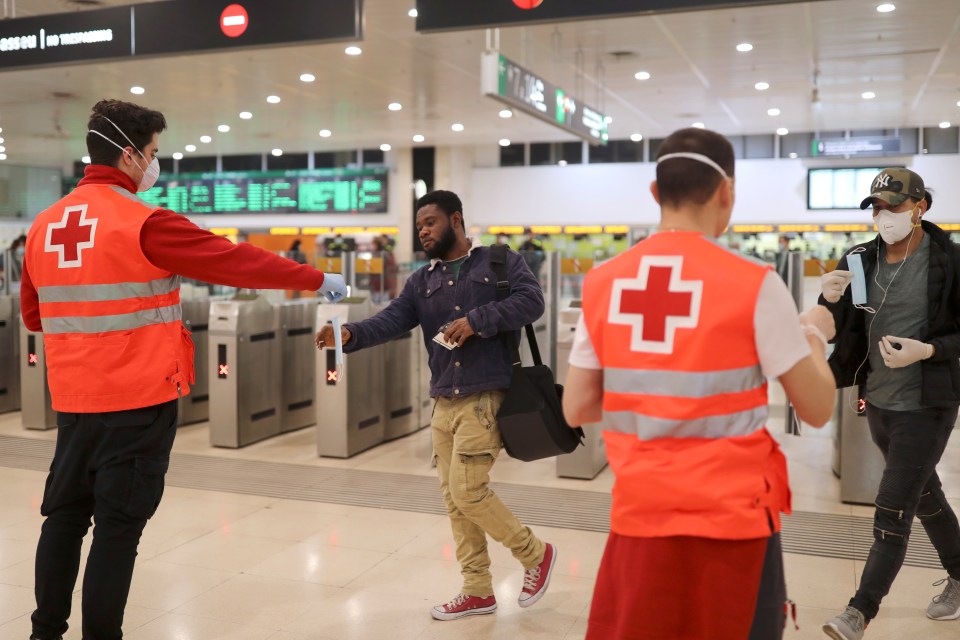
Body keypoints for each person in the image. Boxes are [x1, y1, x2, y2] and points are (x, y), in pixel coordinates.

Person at [21, 99, 347, 640]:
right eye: (151, 153)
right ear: (129, 155)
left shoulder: (43, 226)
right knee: (118, 530)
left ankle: (44, 631)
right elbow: (236, 261)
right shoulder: (142, 222)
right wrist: (318, 280)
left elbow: (36, 316)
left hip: (73, 404)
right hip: (137, 401)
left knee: (64, 518)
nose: (154, 164)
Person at [561, 127, 838, 640]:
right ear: (726, 192)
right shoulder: (755, 283)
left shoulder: (604, 283)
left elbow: (576, 406)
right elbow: (817, 408)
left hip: (639, 519)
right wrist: (813, 336)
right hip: (734, 526)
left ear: (654, 193)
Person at [315, 190, 557, 621]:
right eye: (419, 225)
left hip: (486, 393)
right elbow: (392, 319)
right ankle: (477, 588)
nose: (423, 231)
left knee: (468, 490)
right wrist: (350, 333)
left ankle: (535, 554)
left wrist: (478, 321)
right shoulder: (422, 281)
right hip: (444, 397)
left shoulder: (499, 261)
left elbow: (532, 302)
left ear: (456, 219)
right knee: (453, 498)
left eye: (430, 222)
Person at [819, 171, 960, 640]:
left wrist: (930, 350)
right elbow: (844, 326)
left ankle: (859, 611)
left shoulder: (949, 261)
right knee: (925, 496)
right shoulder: (860, 260)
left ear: (919, 207)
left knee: (892, 507)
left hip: (928, 402)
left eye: (894, 207)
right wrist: (829, 298)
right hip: (878, 400)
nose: (884, 216)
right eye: (877, 208)